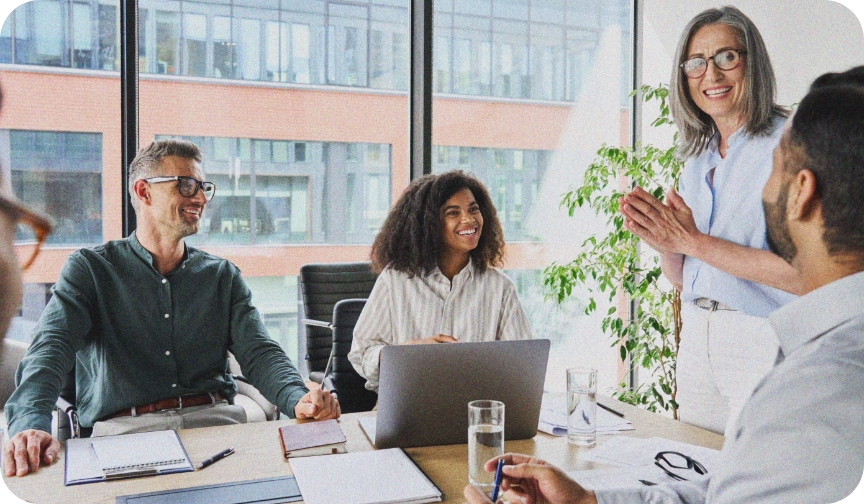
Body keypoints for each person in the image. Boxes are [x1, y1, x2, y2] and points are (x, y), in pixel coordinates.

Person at [465, 66, 864, 504]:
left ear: (802, 191)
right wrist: (588, 502)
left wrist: (691, 239)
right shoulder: (818, 371)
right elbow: (728, 487)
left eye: (772, 168)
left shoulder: (813, 395)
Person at [3, 139, 340, 477]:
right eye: (186, 185)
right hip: (124, 435)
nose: (201, 198)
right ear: (144, 192)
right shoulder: (90, 269)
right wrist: (29, 424)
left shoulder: (222, 276)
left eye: (203, 187)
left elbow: (261, 353)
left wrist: (299, 397)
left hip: (218, 428)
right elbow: (50, 350)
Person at [618, 6, 799, 435]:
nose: (710, 75)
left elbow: (805, 275)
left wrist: (692, 240)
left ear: (752, 63)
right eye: (696, 63)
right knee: (697, 474)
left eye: (726, 58)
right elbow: (688, 280)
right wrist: (667, 244)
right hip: (698, 338)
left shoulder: (795, 145)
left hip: (763, 339)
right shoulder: (697, 156)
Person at [348, 170, 532, 392]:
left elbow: (524, 366)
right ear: (429, 224)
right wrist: (408, 352)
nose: (469, 219)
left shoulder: (501, 288)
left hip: (477, 410)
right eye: (453, 213)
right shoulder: (395, 280)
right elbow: (361, 353)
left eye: (473, 209)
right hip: (409, 407)